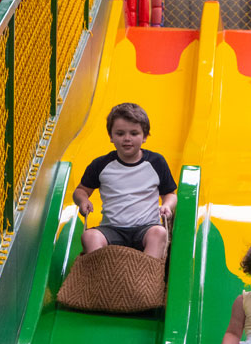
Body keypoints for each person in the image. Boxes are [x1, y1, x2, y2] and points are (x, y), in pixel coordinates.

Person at [73, 102, 176, 259]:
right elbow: (81, 190)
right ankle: (102, 275)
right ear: (111, 137)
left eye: (134, 133)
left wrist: (167, 205)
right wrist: (82, 200)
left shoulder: (156, 162)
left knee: (159, 232)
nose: (127, 139)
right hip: (112, 230)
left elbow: (170, 193)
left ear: (145, 137)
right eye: (120, 134)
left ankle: (147, 276)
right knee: (89, 236)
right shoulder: (101, 165)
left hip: (146, 228)